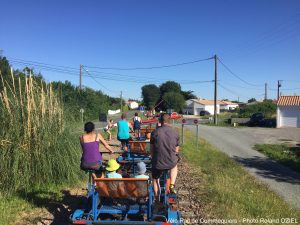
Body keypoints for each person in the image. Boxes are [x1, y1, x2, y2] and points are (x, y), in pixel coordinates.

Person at [150, 113, 179, 200]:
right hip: (170, 162)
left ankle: (157, 198)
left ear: (160, 121)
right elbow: (176, 150)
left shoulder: (154, 133)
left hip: (158, 163)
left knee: (155, 180)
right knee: (174, 166)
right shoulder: (175, 132)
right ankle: (172, 185)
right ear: (169, 121)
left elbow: (151, 151)